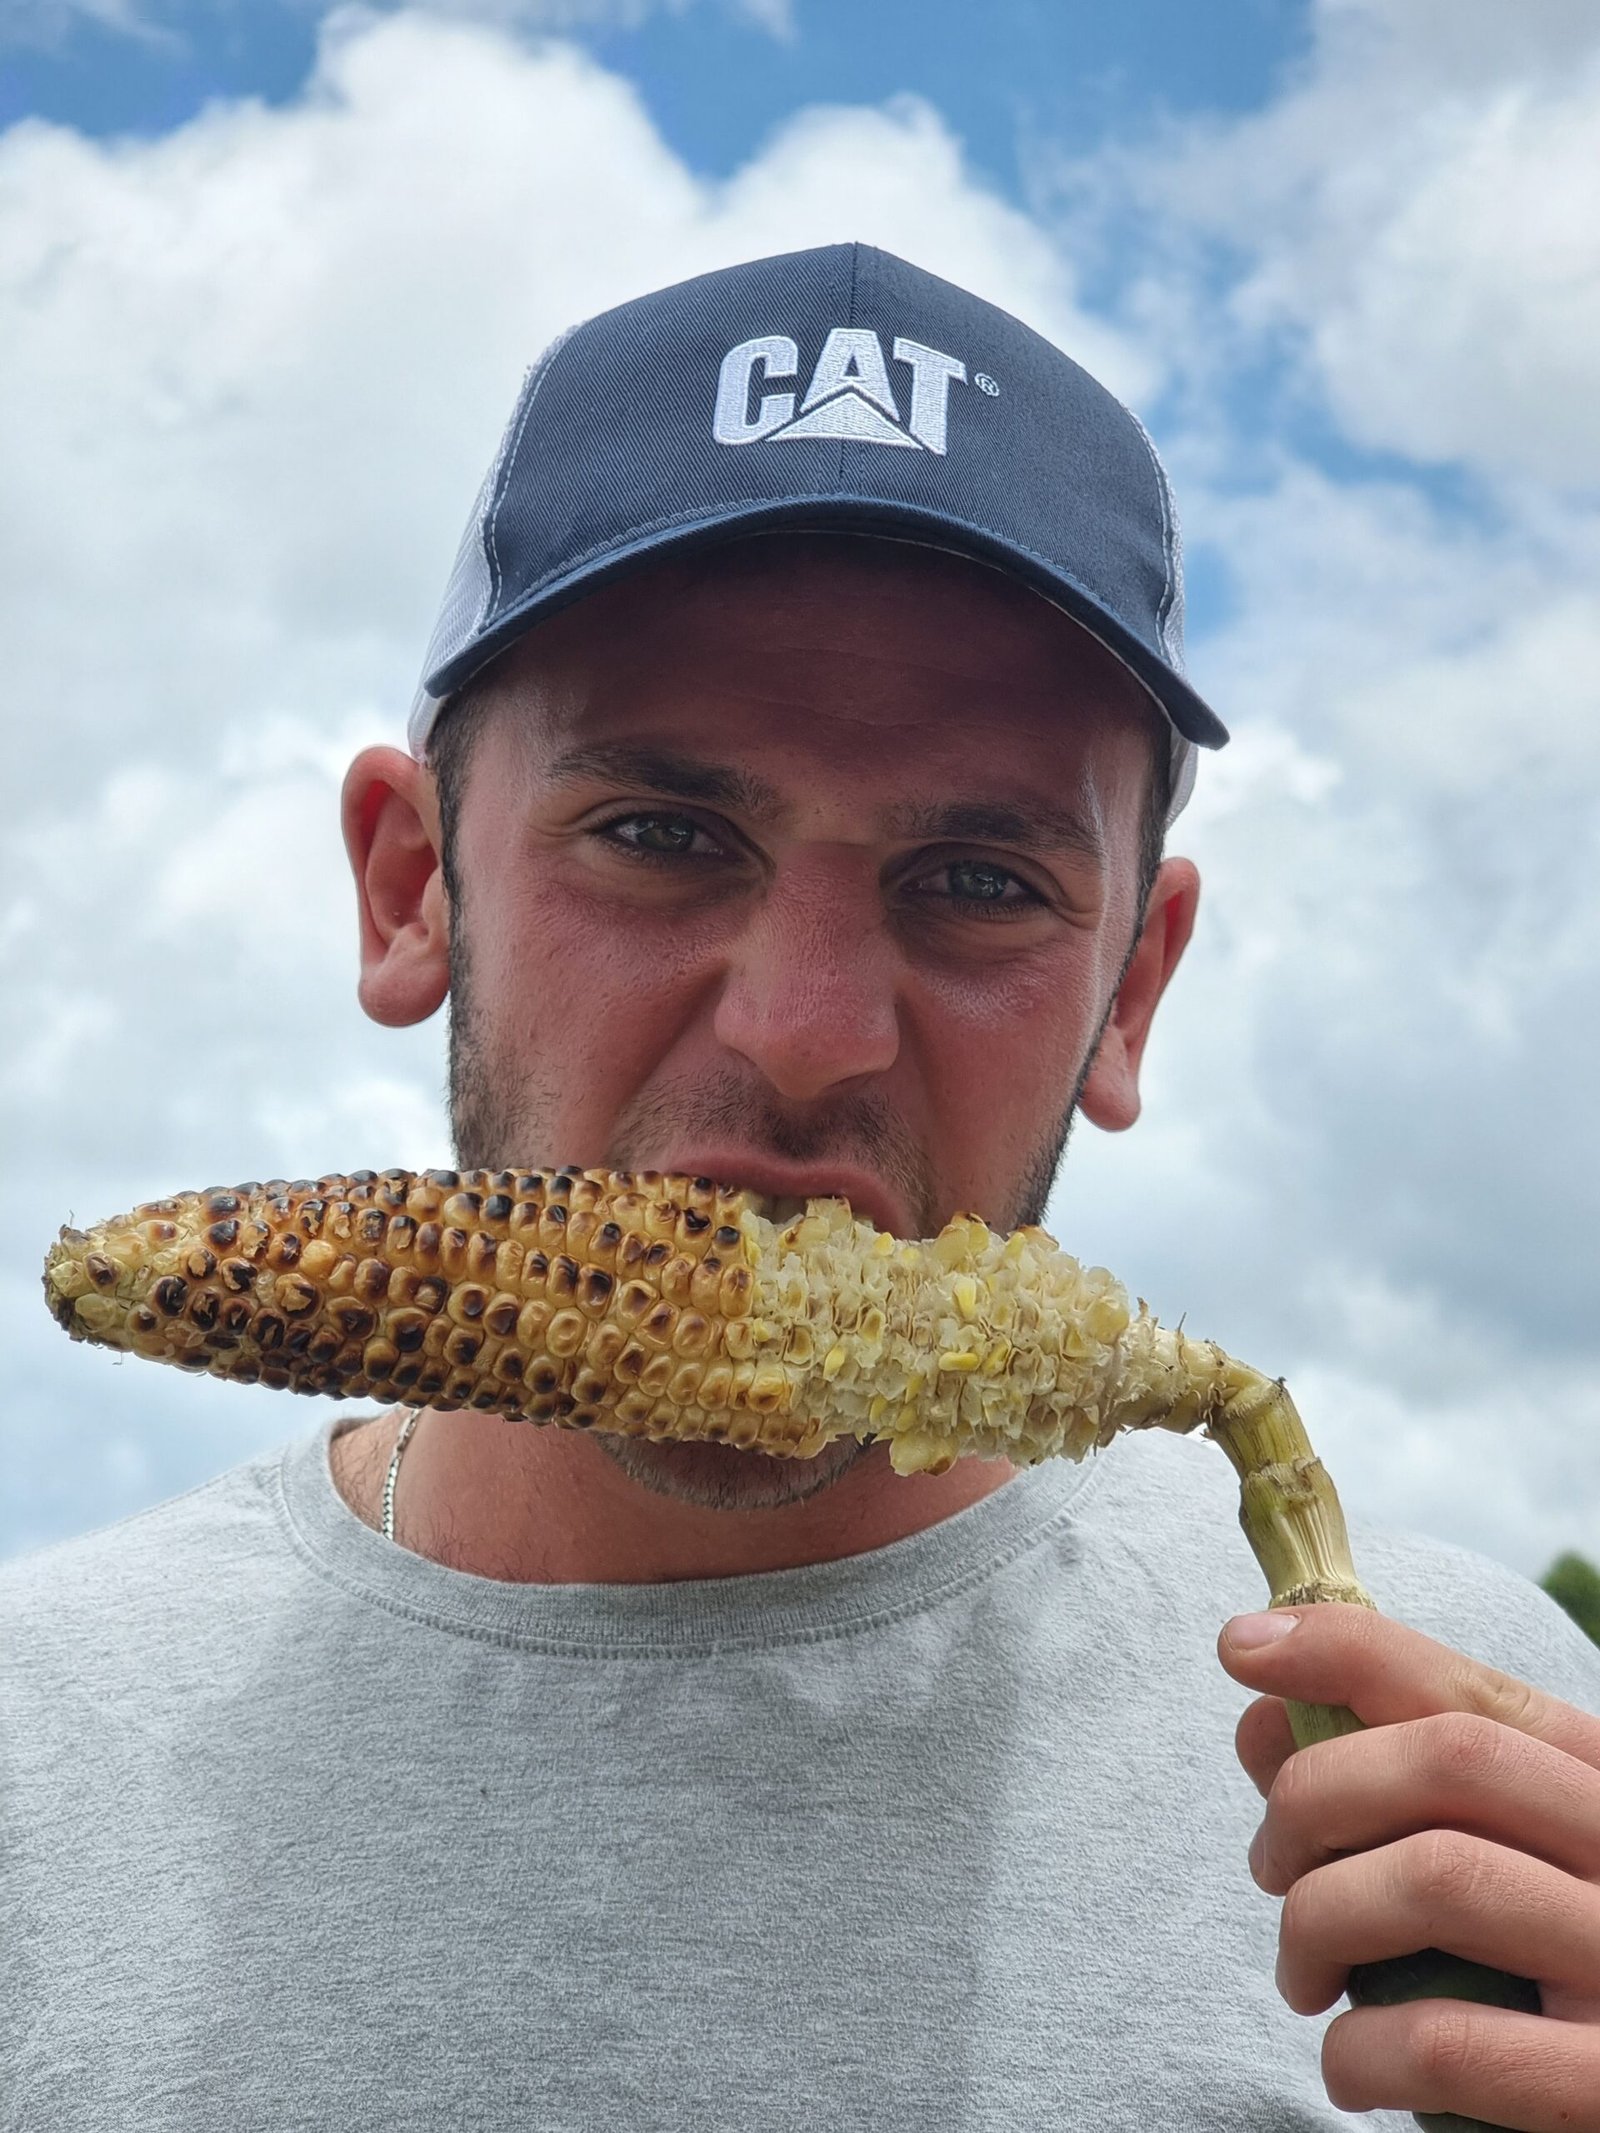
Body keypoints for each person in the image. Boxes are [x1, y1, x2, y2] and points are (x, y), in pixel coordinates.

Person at [3, 244, 1597, 2132]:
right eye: (663, 835)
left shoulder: (1476, 1761)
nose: (808, 1031)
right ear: (410, 884)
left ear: (1132, 987)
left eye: (981, 881)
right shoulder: (36, 1765)